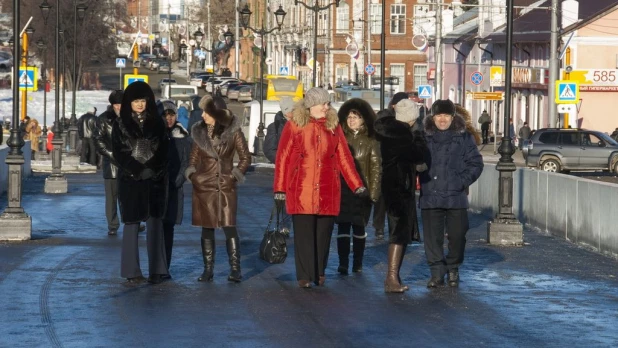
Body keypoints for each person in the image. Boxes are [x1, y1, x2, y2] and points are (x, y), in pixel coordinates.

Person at [273, 87, 366, 288]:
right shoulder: (295, 125)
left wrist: (356, 184)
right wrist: (280, 188)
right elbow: (283, 158)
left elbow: (344, 157)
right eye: (324, 103)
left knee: (324, 234)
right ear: (312, 105)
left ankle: (319, 272)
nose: (327, 107)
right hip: (301, 187)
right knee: (304, 234)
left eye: (328, 103)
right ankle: (305, 275)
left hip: (327, 188)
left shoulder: (334, 127)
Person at [185, 95, 251, 283]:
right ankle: (208, 270)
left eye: (207, 112)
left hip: (225, 185)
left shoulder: (233, 131)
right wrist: (192, 175)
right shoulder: (199, 131)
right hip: (203, 185)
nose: (203, 115)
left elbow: (246, 157)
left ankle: (235, 269)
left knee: (229, 226)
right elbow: (194, 158)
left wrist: (234, 175)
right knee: (207, 228)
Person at [420, 99, 483, 288]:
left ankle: (453, 267)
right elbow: (413, 158)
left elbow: (476, 163)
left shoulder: (463, 137)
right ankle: (437, 273)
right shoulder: (423, 137)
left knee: (458, 236)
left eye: (446, 115)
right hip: (430, 195)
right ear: (433, 117)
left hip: (456, 197)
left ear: (452, 117)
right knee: (432, 238)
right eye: (439, 115)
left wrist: (460, 182)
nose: (442, 119)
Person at [112, 81, 169, 284]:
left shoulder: (158, 123)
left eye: (142, 100)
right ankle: (131, 270)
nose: (139, 104)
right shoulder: (121, 124)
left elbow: (164, 150)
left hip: (154, 180)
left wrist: (151, 169)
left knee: (155, 224)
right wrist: (137, 170)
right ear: (129, 102)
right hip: (131, 180)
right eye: (136, 100)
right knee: (131, 224)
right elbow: (119, 152)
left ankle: (158, 269)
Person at [374, 100, 429, 293]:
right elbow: (419, 154)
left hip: (392, 186)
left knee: (401, 232)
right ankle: (391, 277)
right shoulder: (402, 135)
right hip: (399, 187)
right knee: (398, 233)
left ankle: (394, 276)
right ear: (412, 118)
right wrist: (419, 136)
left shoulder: (390, 132)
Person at [335, 98, 381, 275]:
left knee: (359, 228)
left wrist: (374, 194)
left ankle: (358, 262)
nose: (352, 120)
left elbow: (376, 168)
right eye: (349, 116)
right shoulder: (340, 139)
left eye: (356, 116)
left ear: (364, 120)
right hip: (343, 192)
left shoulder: (371, 141)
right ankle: (343, 263)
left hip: (363, 192)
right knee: (343, 228)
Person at [160, 100, 192, 275]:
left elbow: (187, 162)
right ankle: (156, 266)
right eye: (165, 115)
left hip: (173, 188)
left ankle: (165, 267)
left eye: (171, 115)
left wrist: (177, 181)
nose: (168, 119)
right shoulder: (155, 135)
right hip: (157, 188)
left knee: (168, 228)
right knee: (156, 228)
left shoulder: (182, 137)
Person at [94, 91, 123, 236]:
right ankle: (113, 224)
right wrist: (111, 154)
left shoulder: (130, 118)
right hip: (111, 164)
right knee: (112, 197)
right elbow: (98, 140)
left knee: (128, 195)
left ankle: (131, 220)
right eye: (118, 105)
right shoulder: (104, 119)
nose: (120, 107)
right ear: (113, 105)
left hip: (129, 165)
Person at [264, 97, 295, 164]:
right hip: (284, 166)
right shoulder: (275, 127)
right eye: (292, 110)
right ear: (286, 111)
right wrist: (284, 161)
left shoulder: (299, 124)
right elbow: (270, 150)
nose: (294, 112)